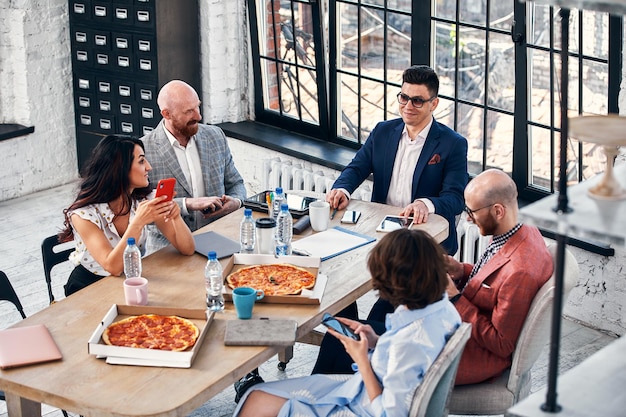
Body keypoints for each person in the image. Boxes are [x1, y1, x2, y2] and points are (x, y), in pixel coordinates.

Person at [313, 169, 554, 386]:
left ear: (498, 211)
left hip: (465, 354)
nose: (468, 218)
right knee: (379, 315)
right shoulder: (520, 231)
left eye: (472, 211)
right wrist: (461, 270)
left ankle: (326, 397)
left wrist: (456, 298)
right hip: (456, 331)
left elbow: (502, 344)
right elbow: (492, 283)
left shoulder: (520, 270)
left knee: (338, 344)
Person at [234, 228, 462, 417]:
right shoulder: (443, 308)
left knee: (255, 401)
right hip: (362, 389)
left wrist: (361, 359)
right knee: (257, 397)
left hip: (362, 405)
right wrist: (376, 341)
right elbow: (411, 356)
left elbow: (387, 413)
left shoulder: (409, 343)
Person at [326, 65, 468, 255]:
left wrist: (425, 204)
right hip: (379, 232)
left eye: (417, 101)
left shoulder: (453, 144)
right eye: (404, 97)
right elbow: (357, 168)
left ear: (433, 104)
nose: (408, 106)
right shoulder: (382, 131)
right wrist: (342, 189)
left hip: (426, 240)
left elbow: (456, 199)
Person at [59, 135, 196, 296]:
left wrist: (175, 217)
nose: (149, 167)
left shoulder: (143, 200)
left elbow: (188, 249)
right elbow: (113, 267)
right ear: (120, 168)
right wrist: (138, 223)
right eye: (141, 161)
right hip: (90, 286)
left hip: (130, 279)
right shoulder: (83, 215)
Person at [141, 79, 247, 253]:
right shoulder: (144, 150)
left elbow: (236, 183)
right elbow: (141, 209)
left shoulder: (215, 136)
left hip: (218, 240)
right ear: (166, 114)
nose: (198, 116)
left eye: (197, 107)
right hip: (168, 250)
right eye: (189, 111)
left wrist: (235, 202)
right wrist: (186, 204)